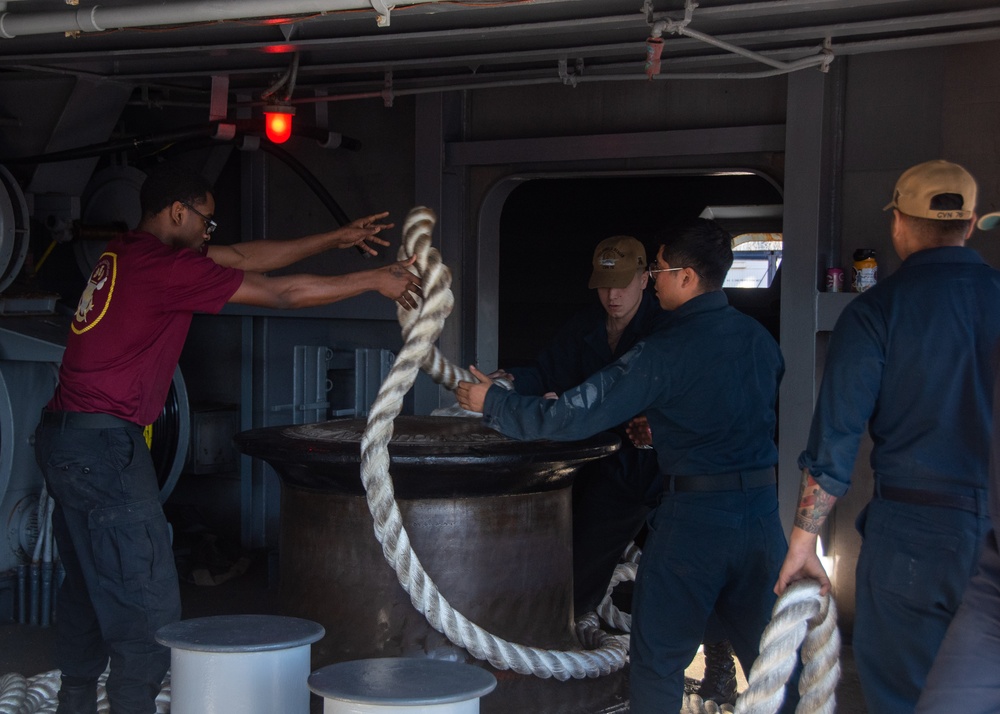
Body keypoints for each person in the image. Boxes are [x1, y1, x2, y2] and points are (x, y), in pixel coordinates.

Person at [34, 162, 422, 714]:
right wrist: (375, 281)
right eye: (206, 223)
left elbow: (244, 258)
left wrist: (335, 240)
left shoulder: (125, 254)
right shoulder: (165, 271)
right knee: (145, 605)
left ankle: (74, 701)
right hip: (103, 449)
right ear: (177, 213)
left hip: (64, 440)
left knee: (89, 589)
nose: (211, 235)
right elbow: (281, 293)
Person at [456, 219, 792, 714]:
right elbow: (736, 414)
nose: (654, 281)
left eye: (658, 270)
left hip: (694, 522)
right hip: (763, 518)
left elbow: (574, 414)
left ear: (685, 276)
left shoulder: (663, 350)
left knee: (656, 664)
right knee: (777, 665)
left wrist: (493, 404)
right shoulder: (760, 341)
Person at [774, 161, 1000, 714]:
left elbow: (836, 441)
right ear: (970, 224)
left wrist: (804, 544)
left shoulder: (876, 312)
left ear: (899, 223)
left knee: (905, 697)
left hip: (914, 537)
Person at [492, 234, 738, 704]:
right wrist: (507, 382)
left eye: (623, 283)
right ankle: (569, 662)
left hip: (672, 474)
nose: (613, 295)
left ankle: (719, 661)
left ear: (647, 279)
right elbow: (546, 373)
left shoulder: (669, 331)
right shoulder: (585, 329)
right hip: (615, 471)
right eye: (605, 284)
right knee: (581, 566)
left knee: (696, 572)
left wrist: (656, 422)